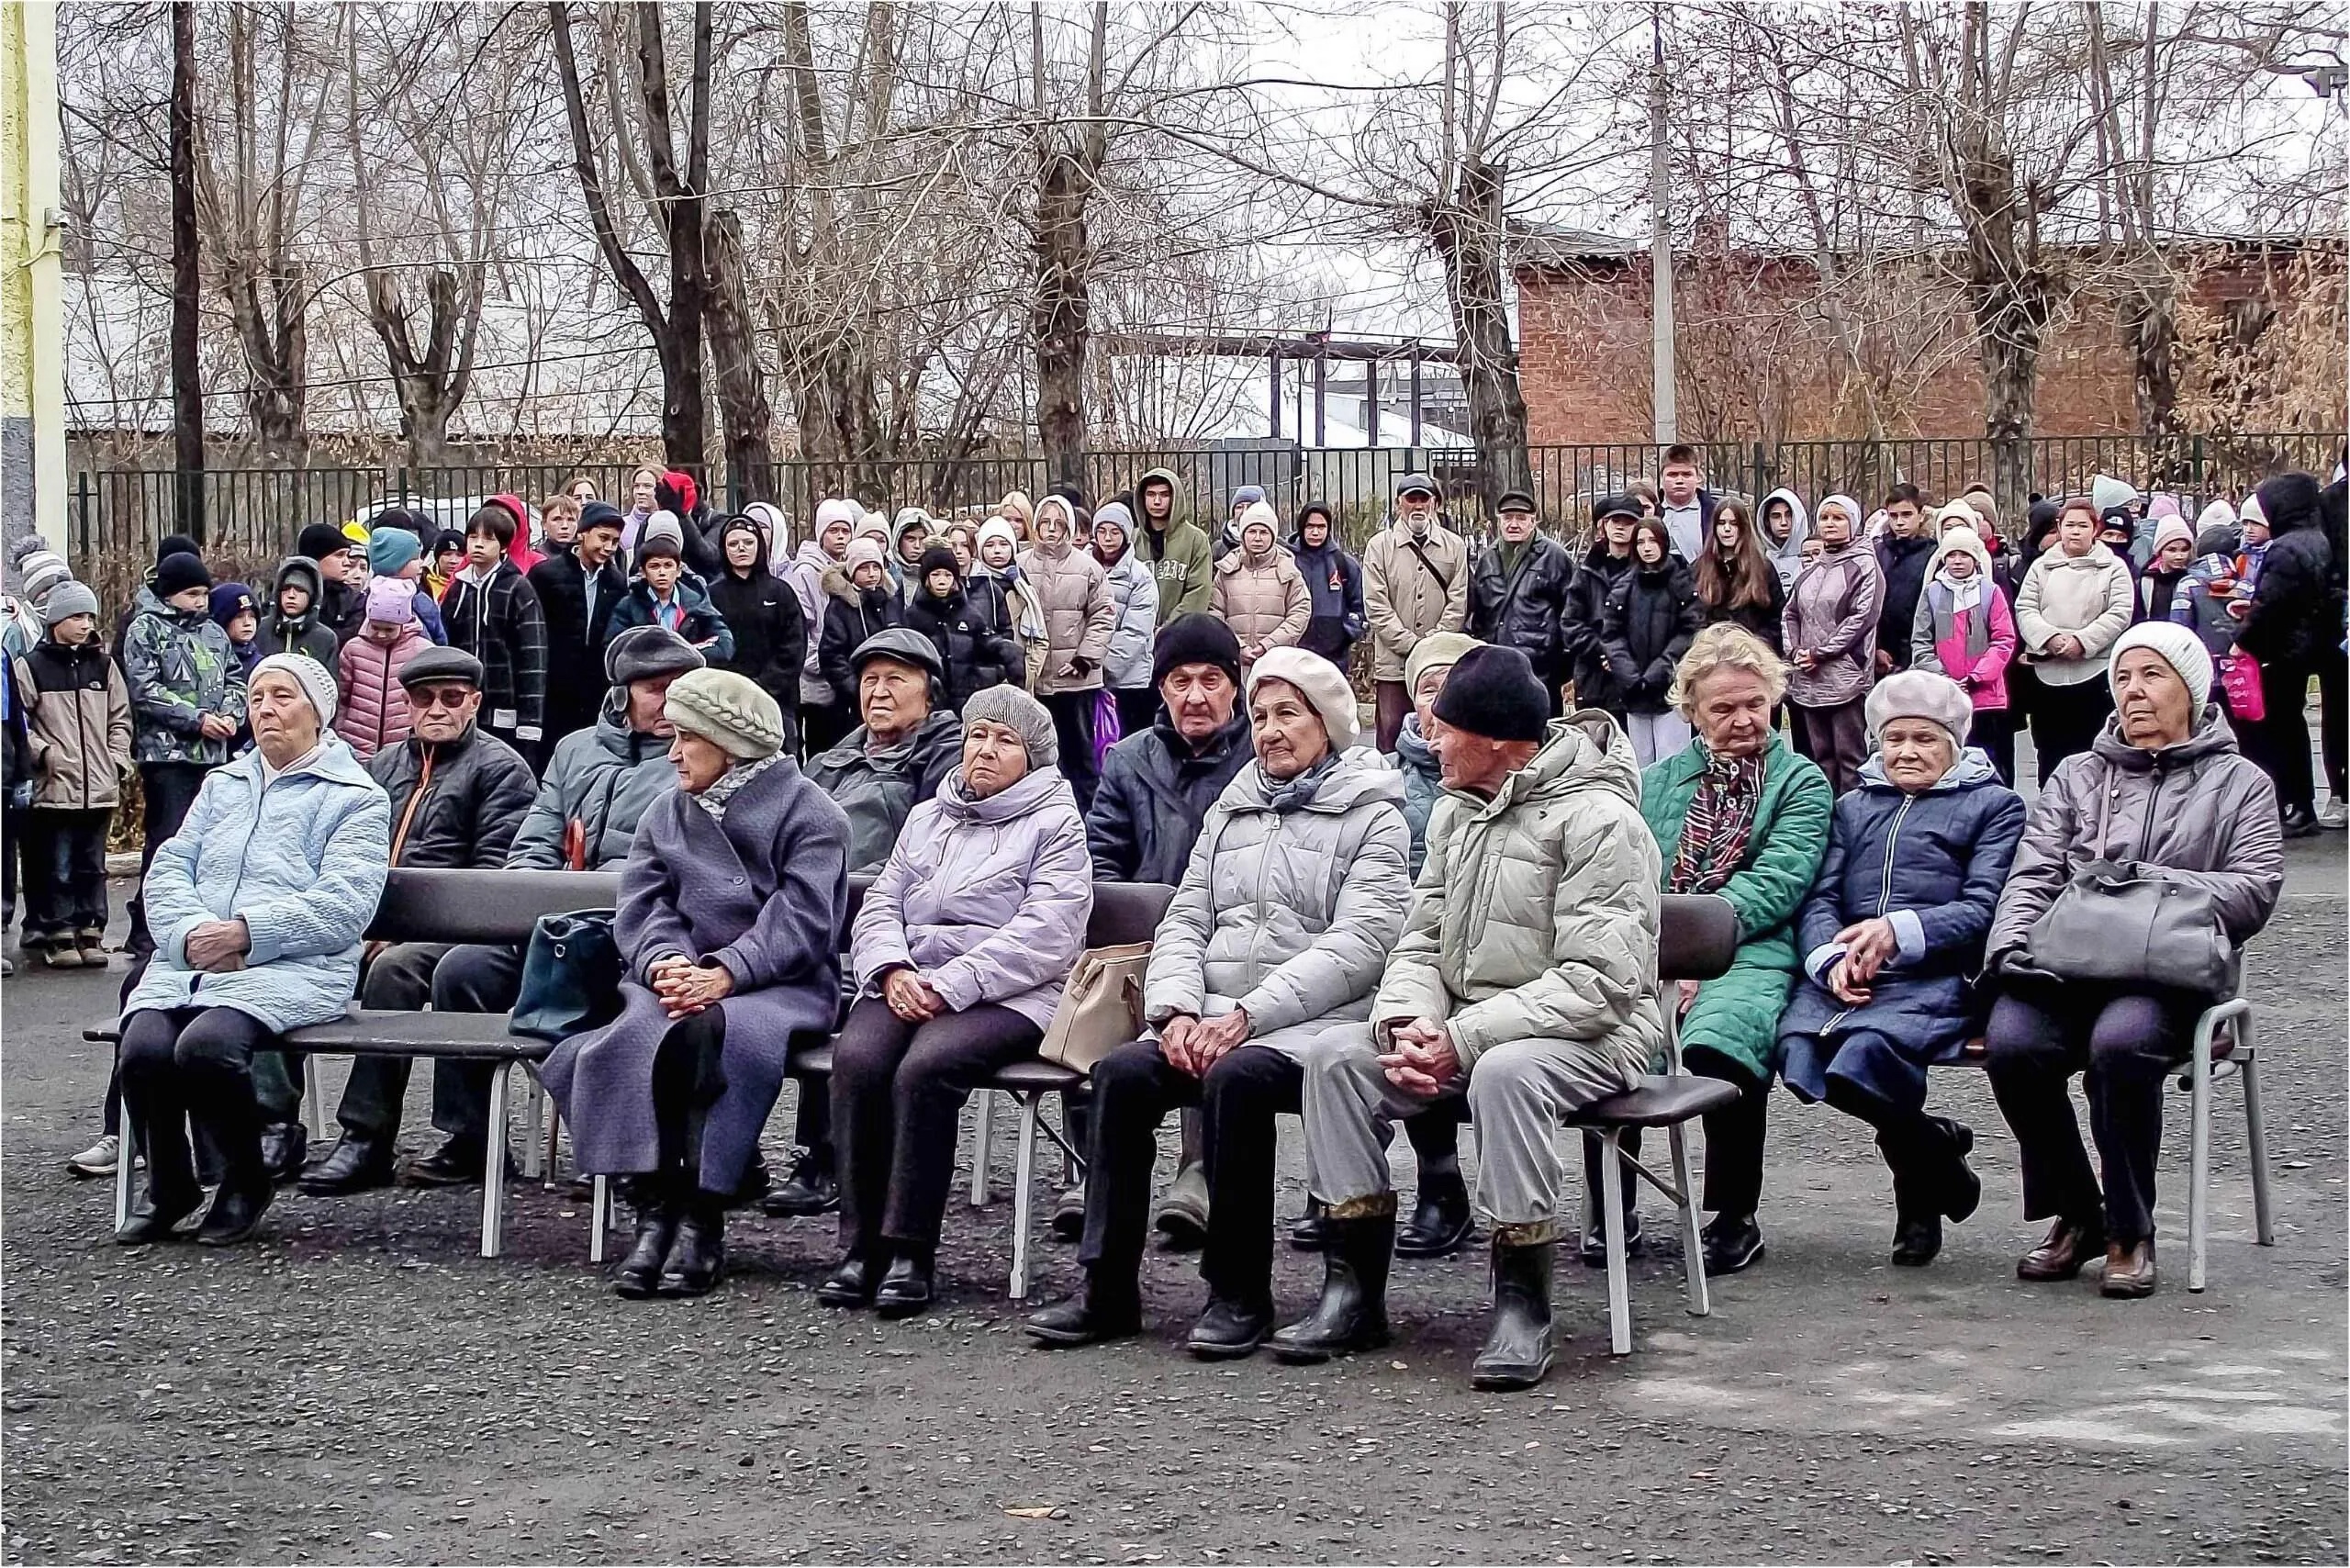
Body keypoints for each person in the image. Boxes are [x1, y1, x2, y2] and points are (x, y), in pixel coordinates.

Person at [1281, 646, 1662, 1390]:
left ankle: (1524, 1308)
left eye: (1443, 728)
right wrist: (1408, 1025)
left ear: (1494, 740)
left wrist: (1460, 1039)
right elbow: (1419, 939)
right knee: (1335, 1058)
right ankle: (1351, 1292)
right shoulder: (1460, 811)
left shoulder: (1601, 821)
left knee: (1505, 1072)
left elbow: (1599, 983)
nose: (1427, 740)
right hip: (1465, 1023)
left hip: (1595, 1033)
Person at [1026, 649, 1412, 1355]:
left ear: (1327, 723)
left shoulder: (1373, 815)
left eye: (1287, 714)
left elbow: (1362, 944)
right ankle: (1105, 1286)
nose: (1268, 731)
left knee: (1236, 1080)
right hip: (1206, 1014)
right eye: (1260, 716)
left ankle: (1238, 1292)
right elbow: (1185, 920)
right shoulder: (1233, 808)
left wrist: (1246, 1016)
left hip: (1308, 1023)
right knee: (1119, 1075)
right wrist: (1173, 1012)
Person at [1984, 623, 2283, 1299]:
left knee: (2120, 1046)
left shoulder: (2241, 783)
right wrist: (2010, 946)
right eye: (2123, 677)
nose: (2133, 692)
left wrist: (2141, 889)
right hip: (2074, 962)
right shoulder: (2078, 774)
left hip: (2169, 972)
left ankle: (2129, 1228)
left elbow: (2255, 889)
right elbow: (2032, 875)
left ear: (2191, 689)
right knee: (2012, 1043)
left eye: (2152, 676)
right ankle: (2080, 1214)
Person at [546, 668, 850, 1300]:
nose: (674, 753)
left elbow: (803, 921)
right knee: (635, 1037)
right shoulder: (668, 809)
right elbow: (645, 906)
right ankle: (656, 1209)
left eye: (689, 738)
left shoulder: (811, 812)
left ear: (730, 743)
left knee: (712, 1031)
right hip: (678, 978)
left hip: (777, 983)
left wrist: (726, 971)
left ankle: (702, 1214)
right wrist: (665, 964)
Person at [822, 685, 1091, 1317]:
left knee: (925, 1069)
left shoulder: (1056, 821)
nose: (986, 751)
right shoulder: (928, 816)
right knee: (859, 1061)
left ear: (1033, 757)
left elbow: (1048, 933)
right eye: (977, 736)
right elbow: (883, 902)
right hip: (909, 979)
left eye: (1005, 741)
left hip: (1012, 993)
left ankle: (910, 1248)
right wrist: (891, 968)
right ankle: (860, 1245)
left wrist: (951, 985)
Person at [114, 654, 390, 1248]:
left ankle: (246, 1179)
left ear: (318, 713)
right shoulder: (223, 785)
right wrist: (189, 933)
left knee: (208, 1047)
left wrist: (246, 933)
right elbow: (170, 868)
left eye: (282, 696)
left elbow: (345, 905)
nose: (265, 708)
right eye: (257, 696)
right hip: (192, 960)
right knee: (142, 1048)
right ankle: (171, 1185)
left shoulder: (354, 797)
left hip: (297, 965)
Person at [419, 627, 700, 1186]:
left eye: (681, 690)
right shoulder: (574, 750)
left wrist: (596, 902)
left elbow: (675, 863)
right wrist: (542, 899)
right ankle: (471, 1136)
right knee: (461, 973)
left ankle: (619, 1147)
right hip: (552, 929)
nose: (669, 704)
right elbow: (534, 839)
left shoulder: (694, 758)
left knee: (607, 990)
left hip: (634, 933)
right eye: (656, 690)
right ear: (622, 695)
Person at [1776, 671, 2025, 1264]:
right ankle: (1934, 1149)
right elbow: (1821, 898)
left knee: (1864, 1058)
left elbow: (1983, 907)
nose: (1907, 752)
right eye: (1895, 739)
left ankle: (1917, 1203)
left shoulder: (1994, 807)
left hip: (1936, 974)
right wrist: (1830, 958)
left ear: (1954, 745)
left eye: (1925, 739)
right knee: (1796, 1051)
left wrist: (1899, 933)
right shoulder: (1853, 807)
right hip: (1850, 977)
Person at [1632, 624, 1831, 1275]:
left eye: (1755, 704)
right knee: (1608, 1037)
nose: (1743, 720)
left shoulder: (1800, 781)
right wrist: (1663, 953)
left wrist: (1697, 947)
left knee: (1722, 1040)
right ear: (1692, 712)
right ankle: (1613, 1207)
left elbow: (1779, 880)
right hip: (1652, 946)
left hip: (1751, 946)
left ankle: (1733, 1214)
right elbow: (1630, 872)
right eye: (1723, 709)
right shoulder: (1658, 781)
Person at [301, 648, 539, 1194]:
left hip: (450, 931)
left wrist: (402, 927)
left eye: (451, 698)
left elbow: (492, 879)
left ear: (474, 702)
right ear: (406, 704)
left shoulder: (501, 769)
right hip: (359, 921)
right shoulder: (380, 767)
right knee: (267, 962)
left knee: (398, 969)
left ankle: (368, 1138)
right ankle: (269, 1129)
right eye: (422, 698)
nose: (436, 708)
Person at [122, 551, 247, 959]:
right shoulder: (146, 630)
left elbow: (235, 679)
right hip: (168, 756)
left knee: (210, 844)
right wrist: (196, 720)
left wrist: (230, 714)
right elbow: (145, 690)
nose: (200, 602)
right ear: (171, 593)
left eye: (204, 594)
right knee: (167, 840)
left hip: (212, 755)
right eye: (191, 594)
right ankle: (146, 929)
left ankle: (197, 923)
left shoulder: (213, 633)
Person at [11, 579, 130, 969]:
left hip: (99, 785)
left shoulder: (104, 665)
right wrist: (45, 755)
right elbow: (20, 722)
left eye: (90, 616)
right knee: (57, 864)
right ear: (56, 619)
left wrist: (116, 758)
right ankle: (59, 932)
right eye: (77, 616)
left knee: (92, 864)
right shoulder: (31, 667)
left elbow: (120, 717)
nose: (85, 624)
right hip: (58, 786)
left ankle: (91, 929)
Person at [806, 628, 964, 875]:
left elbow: (928, 858)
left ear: (930, 696)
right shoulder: (824, 763)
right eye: (870, 680)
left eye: (894, 680)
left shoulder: (946, 760)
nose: (878, 693)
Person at [2234, 473, 2342, 837]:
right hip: (2317, 644)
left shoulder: (2285, 548)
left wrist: (2243, 638)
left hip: (2285, 650)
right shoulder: (2321, 540)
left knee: (2283, 728)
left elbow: (2271, 604)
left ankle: (2296, 805)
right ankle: (2301, 804)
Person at [2014, 496, 2135, 786]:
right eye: (2070, 525)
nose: (2076, 532)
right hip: (2048, 674)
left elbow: (2120, 612)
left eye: (2083, 525)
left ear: (2095, 529)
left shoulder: (2114, 568)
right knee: (2050, 751)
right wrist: (2051, 639)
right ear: (2060, 527)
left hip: (2093, 673)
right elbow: (2025, 607)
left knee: (2093, 750)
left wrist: (2082, 642)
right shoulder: (2042, 567)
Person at [1782, 493, 1883, 793]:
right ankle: (1824, 818)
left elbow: (1862, 617)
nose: (1830, 524)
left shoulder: (1864, 565)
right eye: (1825, 518)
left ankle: (1852, 819)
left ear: (1853, 523)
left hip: (1846, 678)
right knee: (1820, 756)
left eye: (1838, 518)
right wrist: (1796, 651)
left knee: (1849, 756)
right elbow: (1790, 611)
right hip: (1810, 678)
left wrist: (1821, 653)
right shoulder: (1813, 568)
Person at [1361, 474, 1470, 751]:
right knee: (1391, 733)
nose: (1418, 506)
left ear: (1434, 503)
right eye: (1412, 499)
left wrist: (1433, 645)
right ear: (1400, 503)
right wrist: (1411, 645)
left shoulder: (1455, 547)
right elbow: (1376, 606)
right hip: (1393, 666)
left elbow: (1458, 603)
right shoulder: (1379, 547)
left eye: (1424, 499)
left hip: (1439, 663)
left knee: (1439, 732)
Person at [1020, 495, 1114, 807]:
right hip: (1033, 679)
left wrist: (1086, 658)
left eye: (1058, 524)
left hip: (1075, 680)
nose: (1050, 530)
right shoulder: (1019, 566)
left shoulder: (1088, 568)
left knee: (1081, 756)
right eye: (1044, 523)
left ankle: (1089, 816)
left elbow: (1103, 614)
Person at [1910, 521, 2020, 783]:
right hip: (1945, 696)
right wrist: (1943, 677)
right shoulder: (1933, 594)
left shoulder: (1989, 592)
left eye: (1964, 555)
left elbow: (2004, 639)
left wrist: (1977, 676)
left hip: (1986, 697)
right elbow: (1921, 642)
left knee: (1989, 759)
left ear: (1976, 558)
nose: (1957, 561)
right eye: (1951, 555)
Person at [441, 501, 548, 765]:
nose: (478, 544)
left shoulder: (518, 589)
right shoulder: (458, 590)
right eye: (473, 537)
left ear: (503, 546)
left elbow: (533, 658)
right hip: (463, 707)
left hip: (505, 710)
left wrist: (529, 722)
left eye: (488, 539)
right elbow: (446, 646)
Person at [529, 498, 630, 751]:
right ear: (583, 533)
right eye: (603, 538)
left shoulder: (616, 583)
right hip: (553, 688)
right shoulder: (546, 575)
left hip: (594, 689)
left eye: (614, 542)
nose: (608, 547)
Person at [1602, 517, 1703, 767]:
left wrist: (1661, 669)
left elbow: (1691, 629)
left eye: (1652, 541)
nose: (1647, 547)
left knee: (1674, 761)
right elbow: (1612, 633)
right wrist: (1629, 673)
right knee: (1640, 763)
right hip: (1634, 691)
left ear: (1664, 543)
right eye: (1640, 541)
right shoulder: (1624, 586)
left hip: (1670, 688)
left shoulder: (1680, 583)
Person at [1467, 488, 1573, 704]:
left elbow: (1572, 611)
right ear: (1498, 521)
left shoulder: (1554, 557)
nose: (1513, 524)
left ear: (1533, 521)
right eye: (1507, 518)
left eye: (1521, 518)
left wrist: (1562, 663)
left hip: (1540, 668)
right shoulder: (1488, 559)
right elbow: (1479, 611)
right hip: (1495, 665)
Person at [708, 511, 806, 744]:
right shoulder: (712, 595)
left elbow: (794, 644)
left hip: (777, 700)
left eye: (748, 542)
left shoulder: (780, 592)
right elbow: (708, 642)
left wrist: (765, 684)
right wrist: (733, 687)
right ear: (724, 549)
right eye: (733, 544)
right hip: (727, 700)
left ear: (759, 546)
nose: (741, 548)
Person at [901, 543, 1023, 713]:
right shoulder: (912, 616)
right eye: (935, 575)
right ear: (926, 579)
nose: (942, 580)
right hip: (928, 701)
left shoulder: (969, 613)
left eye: (948, 575)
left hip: (966, 699)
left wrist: (1004, 652)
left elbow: (986, 641)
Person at [334, 578, 433, 762]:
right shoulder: (353, 649)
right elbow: (343, 696)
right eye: (375, 627)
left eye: (389, 629)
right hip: (355, 745)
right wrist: (340, 730)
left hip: (403, 750)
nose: (381, 634)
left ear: (404, 623)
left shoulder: (422, 651)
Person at [1564, 494, 1641, 722]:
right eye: (1614, 521)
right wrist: (1602, 651)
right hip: (1594, 681)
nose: (1620, 527)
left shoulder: (1651, 571)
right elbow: (1571, 624)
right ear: (1603, 525)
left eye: (1628, 522)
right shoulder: (1585, 573)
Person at [1212, 500, 1310, 673]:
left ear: (1273, 535)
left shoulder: (1287, 569)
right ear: (1243, 534)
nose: (1257, 538)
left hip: (1277, 662)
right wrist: (1237, 646)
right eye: (1252, 531)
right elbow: (1214, 610)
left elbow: (1300, 611)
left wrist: (1268, 645)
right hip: (1233, 662)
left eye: (1264, 532)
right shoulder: (1227, 568)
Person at [610, 524, 734, 658]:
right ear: (643, 572)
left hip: (689, 674)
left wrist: (686, 657)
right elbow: (614, 647)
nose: (662, 572)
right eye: (654, 566)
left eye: (668, 565)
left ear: (679, 571)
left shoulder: (697, 603)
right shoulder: (628, 606)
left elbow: (724, 644)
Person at [1091, 502, 1162, 736]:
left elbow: (1136, 633)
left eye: (1115, 532)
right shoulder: (1084, 569)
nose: (1108, 538)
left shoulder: (1140, 578)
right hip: (1086, 676)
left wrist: (1102, 666)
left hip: (1130, 681)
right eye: (1102, 531)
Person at [817, 538, 904, 714]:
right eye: (864, 568)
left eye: (876, 567)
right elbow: (831, 655)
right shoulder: (840, 607)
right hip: (854, 699)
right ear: (852, 570)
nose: (871, 573)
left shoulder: (891, 601)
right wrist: (856, 689)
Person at [1694, 497, 1785, 654]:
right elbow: (1693, 616)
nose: (1727, 529)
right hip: (1710, 655)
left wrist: (1754, 643)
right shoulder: (1699, 567)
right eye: (1722, 523)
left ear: (1743, 527)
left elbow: (1777, 618)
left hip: (1754, 654)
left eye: (1734, 524)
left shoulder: (1763, 568)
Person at [967, 515, 1046, 689]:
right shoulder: (973, 585)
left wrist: (1029, 672)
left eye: (1003, 544)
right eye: (989, 545)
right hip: (984, 679)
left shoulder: (1022, 584)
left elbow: (1040, 637)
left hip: (1019, 678)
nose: (997, 550)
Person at [1290, 501, 1367, 672]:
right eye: (1310, 526)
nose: (1315, 532)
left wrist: (1346, 633)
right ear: (1301, 527)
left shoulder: (1344, 563)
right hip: (1293, 654)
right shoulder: (1287, 561)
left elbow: (1360, 605)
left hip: (1334, 659)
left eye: (1321, 526)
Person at [1134, 467, 1214, 624]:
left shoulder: (1195, 539)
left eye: (1164, 495)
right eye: (1151, 494)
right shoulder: (1131, 539)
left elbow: (1199, 591)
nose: (1157, 501)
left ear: (1175, 498)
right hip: (1136, 635)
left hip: (1179, 635)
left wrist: (1169, 628)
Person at [1873, 484, 1937, 674]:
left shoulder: (1932, 553)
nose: (1900, 522)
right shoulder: (1878, 551)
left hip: (1919, 644)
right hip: (1882, 647)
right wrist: (1877, 645)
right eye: (1893, 516)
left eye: (1907, 515)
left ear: (1921, 514)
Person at [364, 526, 449, 644]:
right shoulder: (418, 600)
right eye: (415, 558)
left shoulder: (367, 596)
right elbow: (439, 637)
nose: (421, 562)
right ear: (396, 563)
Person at [260, 556, 341, 668]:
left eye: (300, 589)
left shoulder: (325, 638)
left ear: (312, 596)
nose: (291, 595)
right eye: (286, 588)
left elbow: (329, 682)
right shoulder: (260, 630)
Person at [292, 522, 366, 644]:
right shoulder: (285, 594)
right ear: (315, 558)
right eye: (339, 555)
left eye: (347, 555)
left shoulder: (353, 600)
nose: (347, 562)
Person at [1658, 443, 1718, 563]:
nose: (1679, 481)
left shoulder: (1715, 513)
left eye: (1686, 474)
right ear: (1661, 478)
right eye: (1672, 475)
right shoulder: (1650, 512)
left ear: (1698, 477)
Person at [2139, 515, 2197, 623]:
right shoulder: (2146, 580)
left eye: (2184, 550)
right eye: (2172, 550)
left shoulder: (2195, 580)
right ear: (2160, 551)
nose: (2179, 556)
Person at [1760, 487, 1812, 592]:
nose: (1783, 522)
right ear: (1766, 521)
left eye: (1789, 515)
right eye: (1776, 516)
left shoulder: (1813, 558)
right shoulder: (1759, 562)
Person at [207, 583, 263, 678]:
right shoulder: (209, 663)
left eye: (252, 616)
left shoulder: (263, 665)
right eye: (239, 617)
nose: (247, 623)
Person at [621, 465, 662, 554]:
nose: (640, 491)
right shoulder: (621, 525)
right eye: (636, 486)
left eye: (647, 486)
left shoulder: (669, 525)